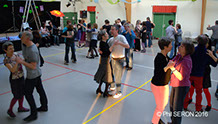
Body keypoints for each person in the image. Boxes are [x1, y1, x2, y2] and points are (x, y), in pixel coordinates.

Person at [16, 31, 48, 121]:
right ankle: (44, 106)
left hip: (33, 75)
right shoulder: (25, 45)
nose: (20, 38)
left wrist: (21, 61)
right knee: (40, 89)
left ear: (27, 38)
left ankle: (34, 114)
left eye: (22, 37)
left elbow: (33, 66)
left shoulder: (32, 50)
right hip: (36, 73)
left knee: (28, 93)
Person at [183, 35, 217, 112]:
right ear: (207, 43)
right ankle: (198, 108)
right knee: (199, 92)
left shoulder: (193, 50)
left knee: (187, 90)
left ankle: (184, 106)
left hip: (190, 73)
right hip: (200, 75)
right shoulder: (208, 53)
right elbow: (215, 64)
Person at [166, 40, 195, 124]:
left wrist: (172, 68)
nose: (179, 47)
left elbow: (180, 76)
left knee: (177, 108)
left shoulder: (187, 61)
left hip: (181, 87)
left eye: (182, 46)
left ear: (187, 50)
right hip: (175, 84)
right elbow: (171, 61)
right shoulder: (179, 56)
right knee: (171, 105)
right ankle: (173, 122)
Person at [3, 42, 29, 118]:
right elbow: (13, 70)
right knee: (16, 96)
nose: (12, 50)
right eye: (10, 49)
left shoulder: (16, 54)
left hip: (21, 77)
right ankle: (10, 110)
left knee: (22, 93)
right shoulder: (6, 60)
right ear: (5, 50)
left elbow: (21, 61)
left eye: (13, 48)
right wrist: (17, 62)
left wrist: (26, 59)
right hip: (15, 80)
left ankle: (20, 107)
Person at [150, 37, 172, 124]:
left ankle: (157, 119)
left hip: (164, 84)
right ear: (165, 47)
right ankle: (155, 121)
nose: (171, 46)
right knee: (160, 106)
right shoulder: (159, 58)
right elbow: (159, 72)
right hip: (158, 85)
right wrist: (168, 66)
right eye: (170, 45)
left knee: (163, 104)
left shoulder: (166, 56)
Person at [107, 25, 130, 98]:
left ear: (117, 30)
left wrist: (119, 43)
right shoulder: (110, 40)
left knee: (118, 76)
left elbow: (127, 46)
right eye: (111, 29)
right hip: (113, 59)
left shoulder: (121, 37)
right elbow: (107, 48)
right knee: (112, 74)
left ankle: (119, 92)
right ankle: (112, 86)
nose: (112, 31)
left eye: (113, 29)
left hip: (120, 59)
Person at [94, 30, 113, 97]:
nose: (108, 35)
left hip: (104, 60)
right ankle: (105, 92)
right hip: (105, 61)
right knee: (107, 75)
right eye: (106, 34)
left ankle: (99, 89)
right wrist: (113, 46)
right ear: (103, 36)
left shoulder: (104, 42)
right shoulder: (103, 43)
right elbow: (107, 53)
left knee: (103, 75)